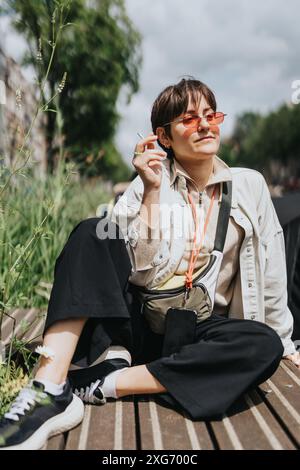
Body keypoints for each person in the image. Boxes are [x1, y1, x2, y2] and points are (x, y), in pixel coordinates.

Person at [0, 78, 299, 450]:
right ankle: (47, 390)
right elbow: (137, 269)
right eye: (190, 119)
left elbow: (272, 268)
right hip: (140, 323)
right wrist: (153, 190)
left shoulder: (250, 185)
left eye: (211, 115)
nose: (205, 125)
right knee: (93, 231)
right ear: (165, 137)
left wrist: (285, 343)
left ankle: (104, 383)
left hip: (201, 329)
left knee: (262, 344)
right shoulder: (145, 183)